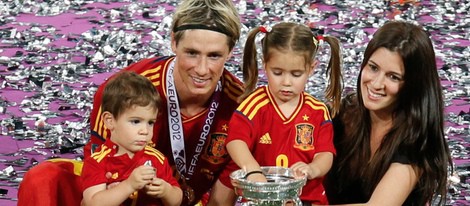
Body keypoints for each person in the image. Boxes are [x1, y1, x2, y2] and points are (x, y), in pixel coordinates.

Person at [18, 0, 244, 205]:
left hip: (185, 201)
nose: (202, 69)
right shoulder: (122, 91)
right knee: (43, 178)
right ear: (174, 42)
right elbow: (97, 183)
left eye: (214, 55)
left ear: (230, 52)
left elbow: (222, 199)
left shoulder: (241, 105)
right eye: (192, 53)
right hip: (116, 193)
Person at [208, 22, 343, 205]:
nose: (286, 82)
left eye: (296, 74)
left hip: (307, 198)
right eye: (277, 72)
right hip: (263, 198)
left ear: (311, 69)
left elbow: (325, 154)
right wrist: (253, 170)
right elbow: (236, 141)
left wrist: (312, 169)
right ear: (265, 65)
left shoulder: (318, 111)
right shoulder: (255, 105)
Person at [324, 20, 453, 205]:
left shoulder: (417, 140)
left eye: (393, 77)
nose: (376, 84)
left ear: (412, 85)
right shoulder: (342, 115)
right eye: (373, 68)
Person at [81, 71, 182, 206]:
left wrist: (166, 191)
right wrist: (129, 185)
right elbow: (93, 203)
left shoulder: (156, 158)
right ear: (110, 121)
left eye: (150, 122)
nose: (145, 131)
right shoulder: (98, 162)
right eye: (135, 121)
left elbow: (177, 199)